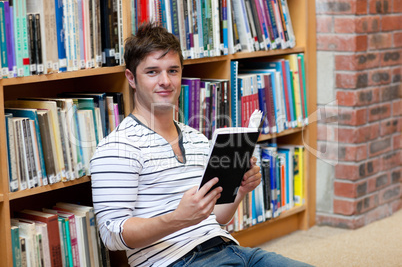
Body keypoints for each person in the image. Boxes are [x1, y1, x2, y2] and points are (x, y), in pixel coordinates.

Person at [90, 23, 312, 267]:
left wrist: (240, 190)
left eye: (173, 71)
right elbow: (112, 235)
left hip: (231, 249)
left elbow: (217, 216)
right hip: (176, 261)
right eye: (152, 72)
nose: (165, 81)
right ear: (131, 78)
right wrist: (178, 219)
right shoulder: (116, 148)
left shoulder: (197, 138)